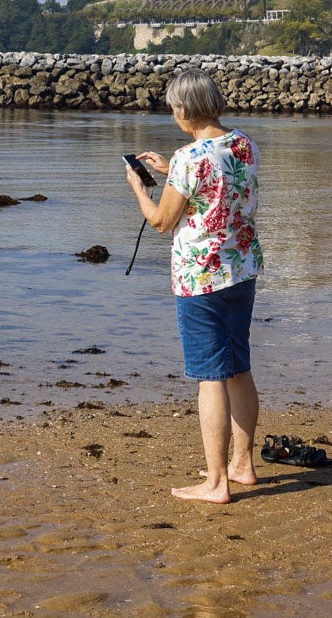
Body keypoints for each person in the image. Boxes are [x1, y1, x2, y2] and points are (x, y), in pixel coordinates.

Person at [125, 68, 264, 504]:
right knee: (238, 369)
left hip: (200, 277)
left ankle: (217, 483)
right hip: (240, 269)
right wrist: (172, 172)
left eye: (174, 109)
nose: (174, 116)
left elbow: (162, 221)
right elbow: (218, 187)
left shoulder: (190, 156)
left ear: (184, 109)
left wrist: (138, 188)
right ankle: (242, 465)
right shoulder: (244, 144)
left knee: (210, 378)